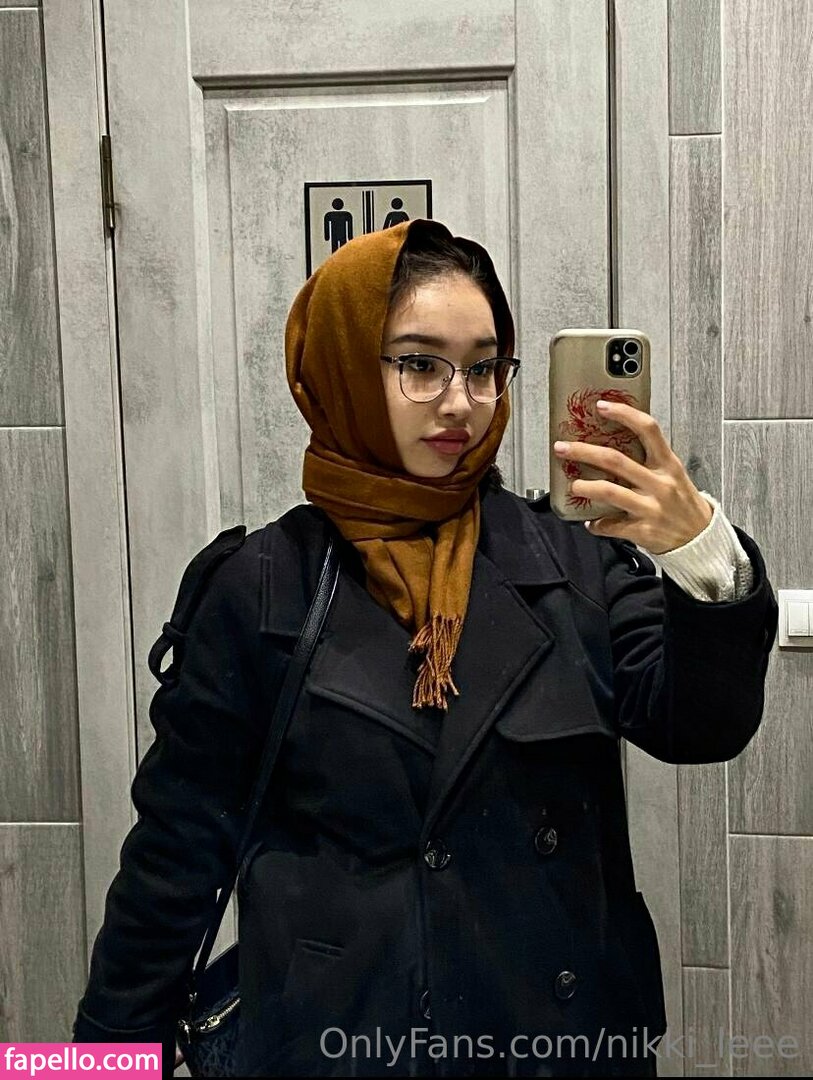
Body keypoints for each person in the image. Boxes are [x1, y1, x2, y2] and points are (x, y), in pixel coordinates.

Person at [72, 219, 777, 1077]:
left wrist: (699, 550)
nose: (459, 402)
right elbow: (176, 857)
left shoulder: (572, 559)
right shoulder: (262, 585)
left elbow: (700, 727)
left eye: (482, 367)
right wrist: (100, 1063)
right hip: (336, 1046)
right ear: (342, 368)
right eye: (418, 364)